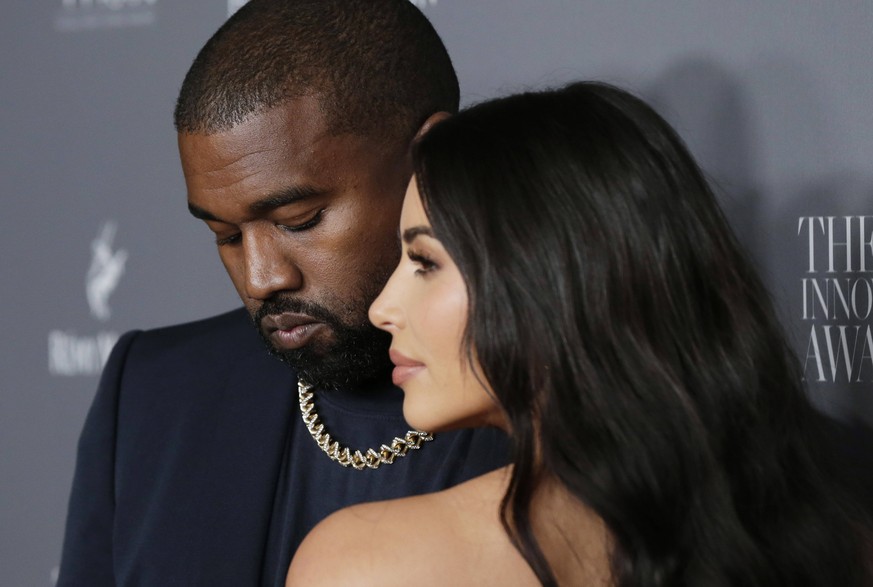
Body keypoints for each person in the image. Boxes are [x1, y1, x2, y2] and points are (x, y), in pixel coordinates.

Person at [287, 82, 873, 586]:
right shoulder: (834, 544)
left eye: (425, 262)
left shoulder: (368, 566)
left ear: (551, 277)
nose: (382, 308)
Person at [56, 1, 506, 585]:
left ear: (429, 158)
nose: (262, 278)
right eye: (225, 235)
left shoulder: (570, 423)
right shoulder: (152, 394)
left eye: (299, 219)